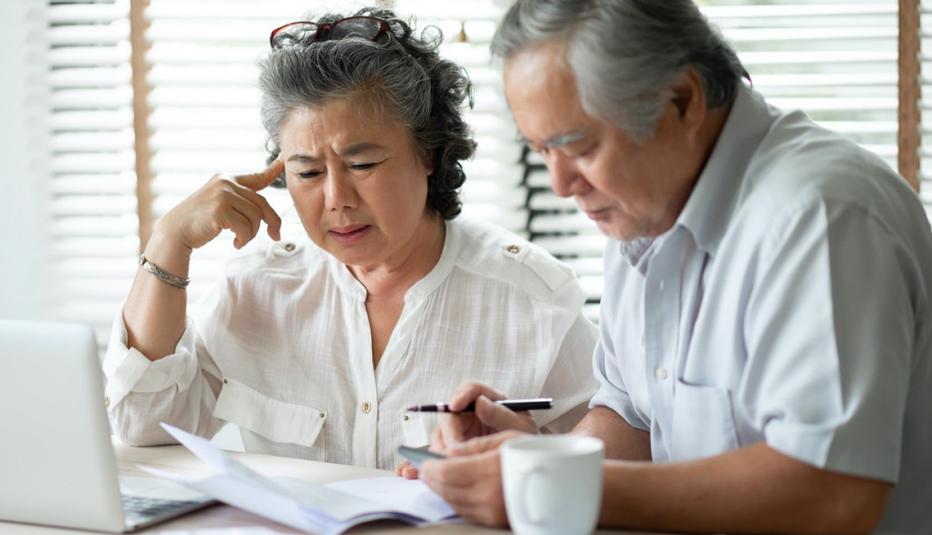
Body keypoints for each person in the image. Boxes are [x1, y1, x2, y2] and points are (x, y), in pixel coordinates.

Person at [405, 0, 932, 532]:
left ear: (681, 100)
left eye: (579, 147)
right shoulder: (643, 208)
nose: (561, 186)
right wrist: (536, 464)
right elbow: (632, 419)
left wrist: (554, 487)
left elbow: (834, 494)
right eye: (542, 151)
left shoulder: (822, 218)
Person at [102, 7, 597, 471]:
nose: (337, 198)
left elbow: (611, 463)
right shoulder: (255, 291)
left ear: (429, 154)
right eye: (308, 172)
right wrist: (168, 243)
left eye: (362, 165)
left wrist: (526, 459)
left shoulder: (535, 301)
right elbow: (143, 426)